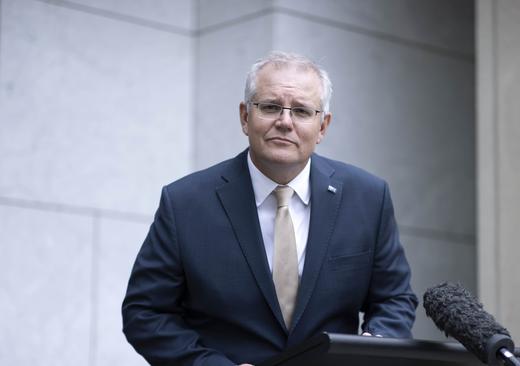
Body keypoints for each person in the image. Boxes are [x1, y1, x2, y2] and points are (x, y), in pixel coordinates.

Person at [122, 51, 418, 366]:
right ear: (245, 117)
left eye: (302, 111)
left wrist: (374, 347)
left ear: (322, 127)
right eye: (270, 107)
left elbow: (394, 299)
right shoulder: (184, 203)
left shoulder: (368, 198)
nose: (285, 122)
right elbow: (146, 313)